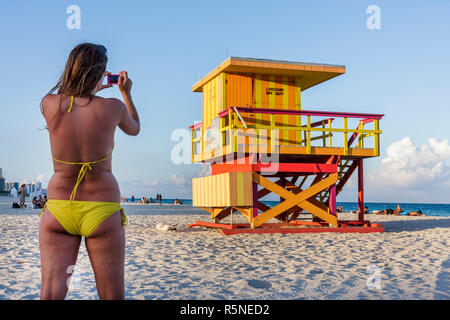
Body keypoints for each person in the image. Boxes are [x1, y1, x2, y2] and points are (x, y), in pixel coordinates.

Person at [38, 43, 140, 300]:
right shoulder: (114, 107)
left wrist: (89, 87)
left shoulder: (50, 104)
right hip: (102, 209)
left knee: (50, 294)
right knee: (111, 295)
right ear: (100, 73)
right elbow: (135, 127)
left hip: (60, 207)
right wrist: (125, 93)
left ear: (71, 69)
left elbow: (72, 103)